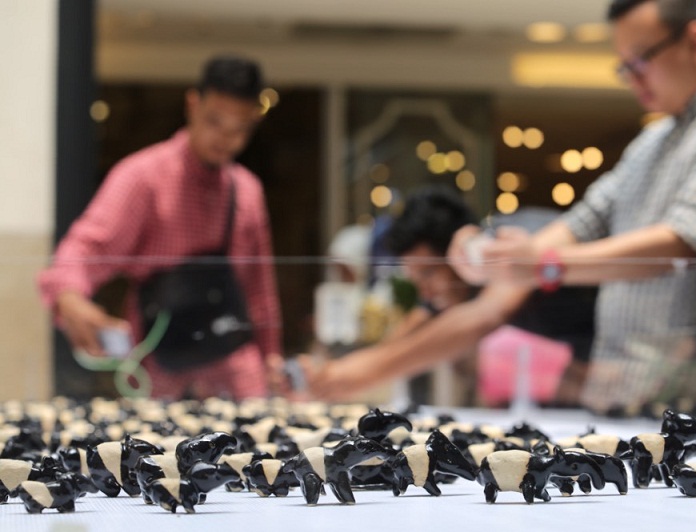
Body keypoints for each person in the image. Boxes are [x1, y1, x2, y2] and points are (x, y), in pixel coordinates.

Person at [449, 0, 696, 414]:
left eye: (641, 59)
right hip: (620, 387)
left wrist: (543, 264)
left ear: (695, 40)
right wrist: (496, 253)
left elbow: (680, 243)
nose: (632, 78)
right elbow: (587, 219)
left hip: (695, 398)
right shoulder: (653, 139)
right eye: (624, 66)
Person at [38, 55, 284, 401]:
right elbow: (88, 245)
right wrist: (69, 296)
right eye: (215, 121)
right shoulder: (143, 176)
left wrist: (272, 357)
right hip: (158, 367)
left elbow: (259, 289)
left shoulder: (247, 190)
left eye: (240, 128)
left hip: (234, 370)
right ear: (193, 104)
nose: (225, 138)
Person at [304, 185, 597, 404]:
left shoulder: (503, 243)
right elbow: (409, 333)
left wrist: (359, 374)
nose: (424, 290)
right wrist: (333, 372)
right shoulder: (447, 286)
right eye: (415, 279)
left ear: (456, 251)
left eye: (428, 274)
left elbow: (485, 314)